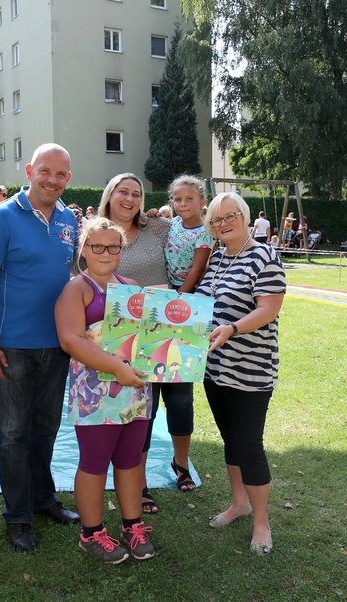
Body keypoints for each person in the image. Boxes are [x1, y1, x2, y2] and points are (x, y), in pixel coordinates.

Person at [0, 143, 80, 552]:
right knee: (13, 434)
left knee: (46, 429)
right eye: (45, 171)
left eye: (61, 174)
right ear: (29, 170)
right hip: (12, 347)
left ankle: (42, 498)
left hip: (57, 345)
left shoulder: (70, 218)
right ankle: (17, 516)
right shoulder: (1, 218)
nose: (52, 180)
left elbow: (71, 278)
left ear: (68, 178)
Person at [55, 218, 155, 564]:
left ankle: (132, 525)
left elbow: (150, 338)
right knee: (95, 463)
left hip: (136, 391)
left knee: (130, 460)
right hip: (96, 393)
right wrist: (116, 368)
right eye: (97, 246)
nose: (105, 253)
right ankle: (91, 533)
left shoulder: (131, 286)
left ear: (122, 249)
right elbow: (70, 339)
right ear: (84, 249)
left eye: (113, 246)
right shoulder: (77, 289)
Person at [195, 191, 285, 556]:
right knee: (230, 441)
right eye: (216, 220)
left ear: (245, 217)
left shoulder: (265, 256)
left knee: (249, 446)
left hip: (250, 371)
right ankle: (239, 504)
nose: (223, 224)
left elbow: (268, 309)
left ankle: (261, 521)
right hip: (215, 369)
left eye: (230, 216)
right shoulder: (217, 258)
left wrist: (231, 328)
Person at [97, 173, 170, 514]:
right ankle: (107, 481)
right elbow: (77, 276)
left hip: (156, 332)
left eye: (136, 193)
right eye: (122, 192)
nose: (129, 199)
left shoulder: (157, 228)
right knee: (111, 409)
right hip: (113, 334)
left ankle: (137, 485)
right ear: (109, 195)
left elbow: (192, 237)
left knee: (145, 413)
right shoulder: (96, 232)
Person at [152, 175, 212, 495]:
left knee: (179, 396)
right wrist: (151, 215)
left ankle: (181, 463)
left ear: (202, 200)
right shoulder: (169, 223)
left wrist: (178, 300)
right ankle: (138, 461)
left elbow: (196, 270)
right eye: (177, 199)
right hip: (161, 305)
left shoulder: (206, 232)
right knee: (148, 394)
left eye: (189, 199)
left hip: (186, 310)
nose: (183, 204)